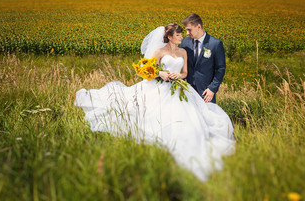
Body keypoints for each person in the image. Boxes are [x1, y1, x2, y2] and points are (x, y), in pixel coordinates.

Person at [75, 24, 235, 182]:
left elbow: (185, 73)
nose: (181, 37)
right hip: (159, 87)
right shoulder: (159, 52)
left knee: (193, 117)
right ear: (170, 37)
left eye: (181, 34)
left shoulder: (183, 52)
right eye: (178, 35)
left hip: (178, 88)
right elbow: (145, 69)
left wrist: (177, 77)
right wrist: (161, 73)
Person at [180, 13, 226, 104]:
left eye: (189, 30)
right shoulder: (184, 42)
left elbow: (220, 68)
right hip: (187, 90)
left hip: (205, 92)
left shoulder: (215, 44)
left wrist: (212, 89)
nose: (187, 33)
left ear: (198, 27)